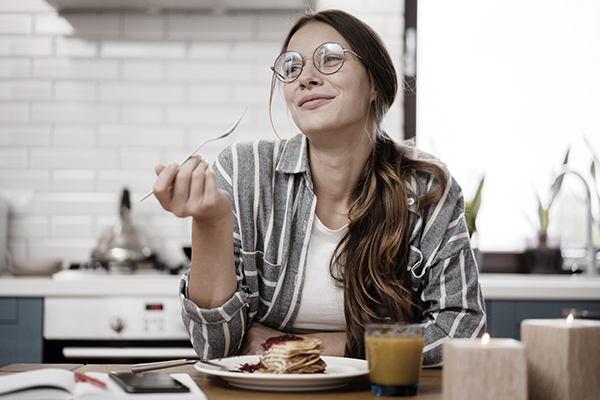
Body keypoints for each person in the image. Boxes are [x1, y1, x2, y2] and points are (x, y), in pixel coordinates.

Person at [152, 9, 486, 366]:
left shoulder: (426, 188)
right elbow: (215, 348)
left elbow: (461, 328)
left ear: (375, 83)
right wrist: (209, 222)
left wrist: (301, 346)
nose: (305, 77)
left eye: (330, 59)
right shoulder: (241, 172)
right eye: (292, 67)